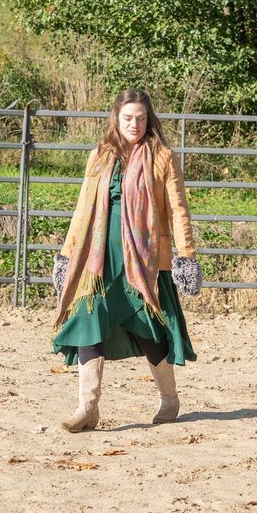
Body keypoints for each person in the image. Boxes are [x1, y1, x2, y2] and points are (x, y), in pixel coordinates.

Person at [51, 88, 201, 432]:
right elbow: (83, 209)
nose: (134, 124)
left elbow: (178, 211)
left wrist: (186, 256)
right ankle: (87, 408)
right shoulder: (100, 156)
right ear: (116, 119)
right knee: (88, 322)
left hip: (144, 261)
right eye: (128, 118)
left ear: (149, 121)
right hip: (97, 257)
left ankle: (169, 398)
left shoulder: (162, 156)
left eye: (141, 118)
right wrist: (67, 253)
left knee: (149, 332)